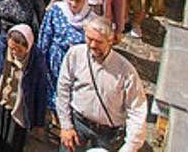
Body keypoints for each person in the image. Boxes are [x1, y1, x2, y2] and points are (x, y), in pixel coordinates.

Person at [55, 16, 147, 152]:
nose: (92, 45)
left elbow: (137, 108)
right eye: (89, 39)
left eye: (98, 41)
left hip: (107, 134)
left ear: (110, 41)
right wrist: (66, 125)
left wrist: (130, 147)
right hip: (78, 124)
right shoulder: (75, 54)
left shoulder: (125, 70)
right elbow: (63, 89)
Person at [0, 24, 47, 152]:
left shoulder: (36, 58)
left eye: (19, 50)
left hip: (16, 108)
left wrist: (39, 122)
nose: (14, 53)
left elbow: (40, 90)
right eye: (12, 48)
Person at [38, 0, 91, 112]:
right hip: (55, 59)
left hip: (77, 64)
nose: (73, 4)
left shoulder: (91, 19)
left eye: (78, 1)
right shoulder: (56, 10)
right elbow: (45, 34)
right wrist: (41, 59)